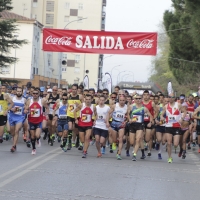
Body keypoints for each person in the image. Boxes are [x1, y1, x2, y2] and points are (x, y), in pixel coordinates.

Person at [160, 94, 186, 163]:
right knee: (169, 143)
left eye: (172, 97)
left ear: (174, 98)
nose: (170, 98)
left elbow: (185, 112)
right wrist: (162, 117)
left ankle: (178, 148)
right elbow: (162, 115)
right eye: (169, 97)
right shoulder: (166, 106)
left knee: (175, 144)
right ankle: (169, 157)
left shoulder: (178, 105)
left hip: (177, 126)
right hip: (168, 126)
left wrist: (182, 118)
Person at [127, 94, 153, 161]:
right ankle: (142, 152)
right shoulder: (131, 106)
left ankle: (134, 155)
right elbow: (127, 114)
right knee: (132, 142)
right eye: (137, 98)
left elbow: (151, 116)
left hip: (140, 125)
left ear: (141, 100)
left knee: (138, 139)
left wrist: (150, 122)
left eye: (139, 98)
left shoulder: (144, 108)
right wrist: (129, 119)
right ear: (134, 100)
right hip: (132, 125)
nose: (138, 100)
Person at [25, 88, 48, 155]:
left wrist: (46, 114)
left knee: (37, 135)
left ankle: (38, 139)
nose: (35, 95)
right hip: (31, 121)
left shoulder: (42, 101)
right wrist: (25, 111)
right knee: (32, 136)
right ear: (32, 94)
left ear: (38, 94)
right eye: (34, 93)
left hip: (39, 121)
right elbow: (26, 108)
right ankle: (33, 149)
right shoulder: (29, 101)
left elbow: (47, 108)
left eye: (36, 93)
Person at [74, 94, 97, 158]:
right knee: (82, 140)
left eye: (89, 99)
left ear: (91, 100)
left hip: (89, 125)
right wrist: (76, 119)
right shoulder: (82, 105)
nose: (88, 101)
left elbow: (96, 114)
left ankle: (85, 151)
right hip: (81, 124)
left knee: (87, 138)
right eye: (86, 99)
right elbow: (75, 111)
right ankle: (85, 146)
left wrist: (95, 120)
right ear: (84, 99)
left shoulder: (93, 107)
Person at [109, 95, 128, 160]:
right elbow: (108, 113)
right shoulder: (115, 106)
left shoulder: (126, 107)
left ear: (125, 101)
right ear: (118, 100)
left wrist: (126, 121)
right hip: (114, 122)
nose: (122, 102)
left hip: (121, 124)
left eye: (123, 100)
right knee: (114, 139)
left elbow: (128, 116)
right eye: (120, 100)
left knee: (120, 139)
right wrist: (106, 121)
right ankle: (114, 142)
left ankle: (119, 153)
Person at [9, 87, 26, 152]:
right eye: (18, 91)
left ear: (22, 92)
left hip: (20, 117)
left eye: (20, 91)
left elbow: (26, 107)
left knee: (16, 131)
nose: (19, 92)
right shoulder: (11, 98)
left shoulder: (24, 100)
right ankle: (14, 141)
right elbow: (7, 105)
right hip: (12, 116)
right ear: (16, 92)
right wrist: (11, 109)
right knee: (12, 132)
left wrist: (25, 109)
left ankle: (14, 146)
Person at [67, 84, 83, 150]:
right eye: (72, 89)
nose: (74, 91)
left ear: (77, 90)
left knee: (76, 130)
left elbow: (84, 105)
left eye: (75, 89)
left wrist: (78, 104)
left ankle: (77, 140)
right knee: (70, 127)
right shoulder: (69, 95)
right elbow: (65, 103)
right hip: (70, 114)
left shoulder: (80, 96)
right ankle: (69, 142)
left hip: (77, 115)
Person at [142, 90, 157, 157]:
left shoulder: (152, 103)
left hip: (149, 121)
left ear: (149, 95)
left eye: (147, 95)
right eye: (144, 95)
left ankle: (149, 150)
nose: (146, 96)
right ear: (143, 95)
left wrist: (153, 119)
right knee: (140, 136)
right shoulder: (140, 102)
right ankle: (142, 149)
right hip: (141, 121)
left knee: (149, 137)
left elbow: (156, 111)